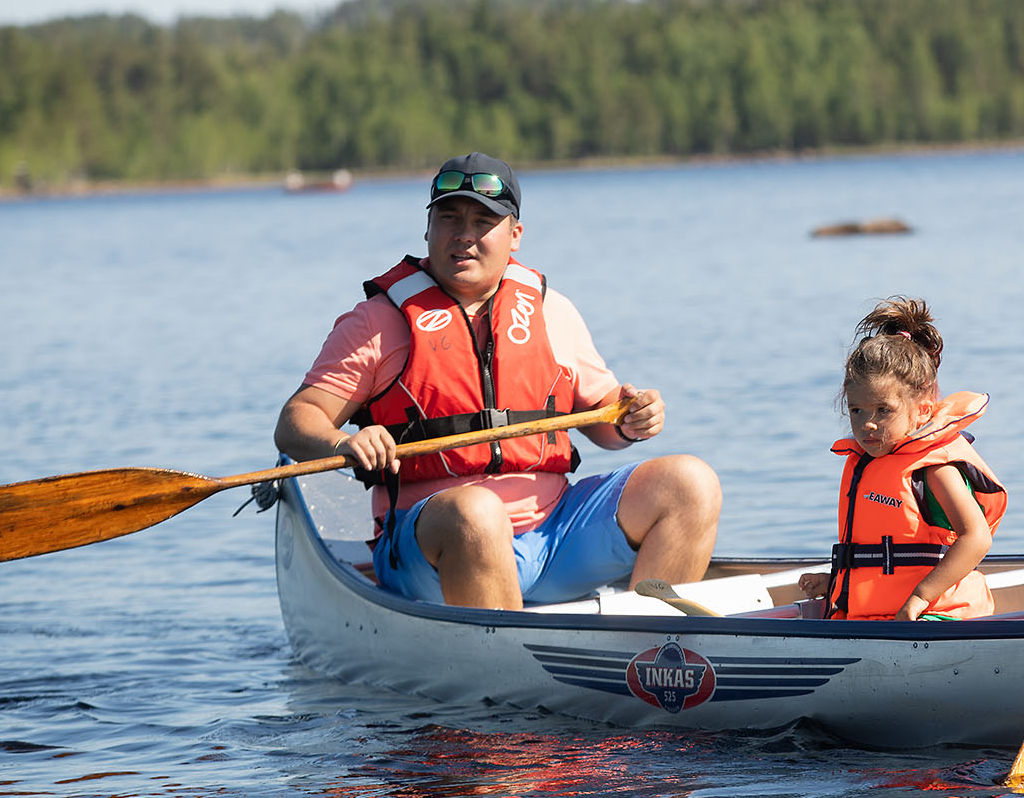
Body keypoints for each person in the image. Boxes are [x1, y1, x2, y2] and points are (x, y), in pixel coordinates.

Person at [274, 152, 721, 610]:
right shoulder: (377, 322)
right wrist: (341, 445)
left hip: (554, 536)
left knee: (691, 483)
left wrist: (632, 418)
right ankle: (511, 664)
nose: (464, 235)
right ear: (428, 229)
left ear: (515, 236)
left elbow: (605, 420)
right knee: (478, 512)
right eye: (449, 218)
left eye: (483, 221)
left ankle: (650, 652)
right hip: (434, 546)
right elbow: (296, 421)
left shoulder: (551, 312)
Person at [799, 298, 1007, 621]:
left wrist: (920, 597)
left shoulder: (933, 468)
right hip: (882, 621)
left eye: (883, 410)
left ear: (922, 409)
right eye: (857, 410)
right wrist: (835, 584)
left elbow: (977, 537)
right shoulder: (866, 462)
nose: (868, 422)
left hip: (937, 616)